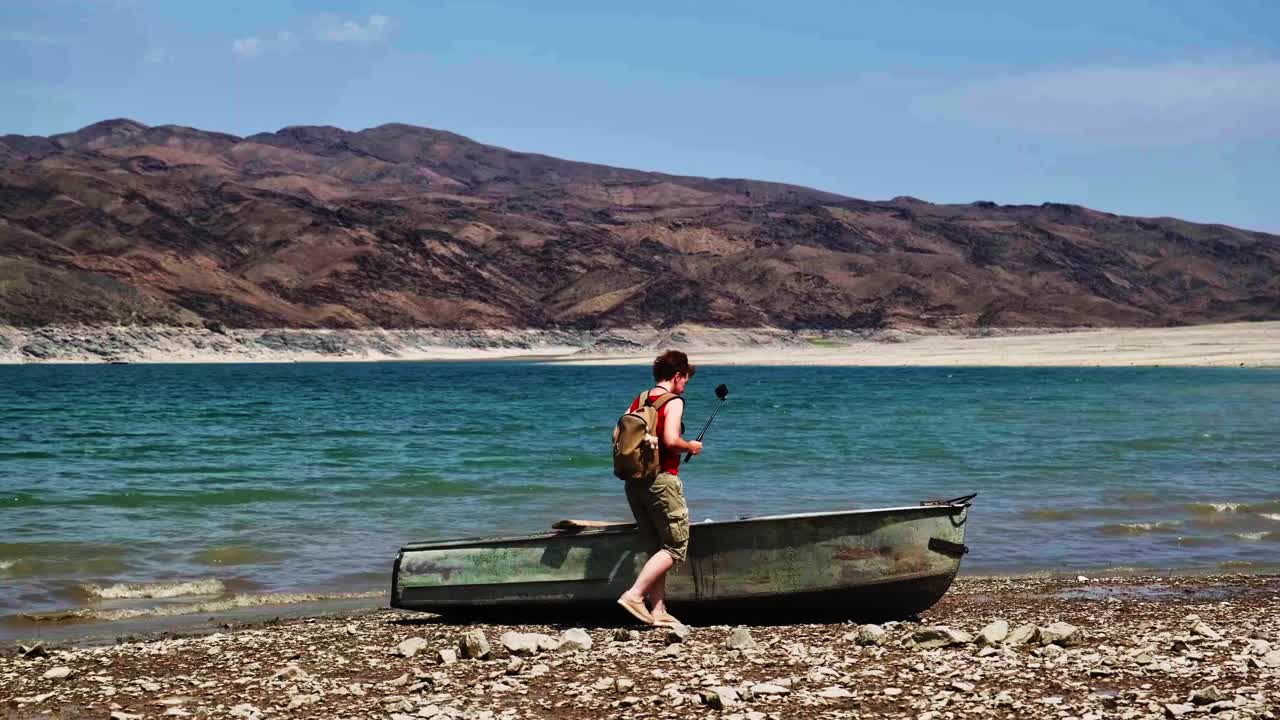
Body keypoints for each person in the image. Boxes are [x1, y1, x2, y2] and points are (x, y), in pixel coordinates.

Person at [616, 350, 702, 627]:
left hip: (635, 482)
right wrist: (691, 446)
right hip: (661, 481)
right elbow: (671, 440)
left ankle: (659, 610)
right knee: (676, 547)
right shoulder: (674, 401)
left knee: (655, 546)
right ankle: (634, 595)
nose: (685, 384)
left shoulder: (640, 399)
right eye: (685, 379)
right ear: (677, 376)